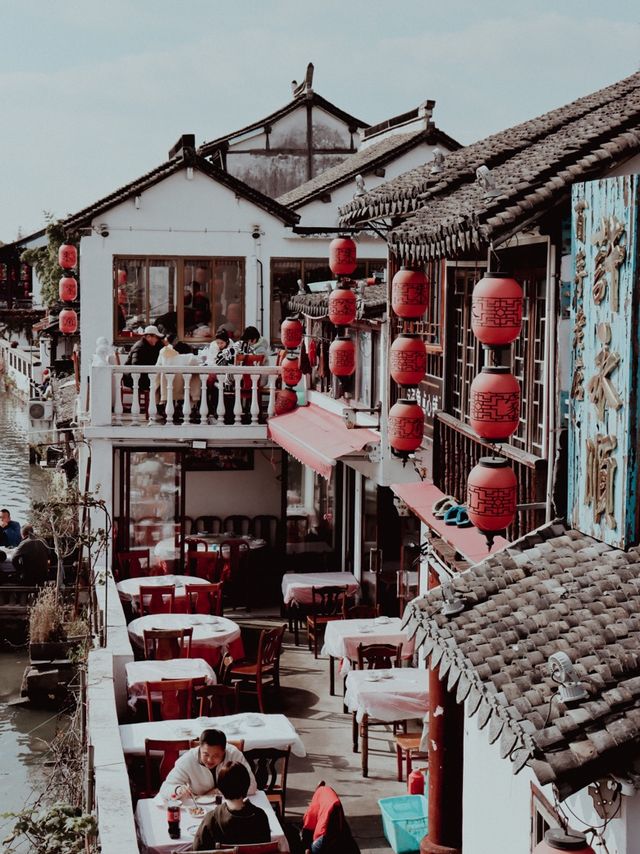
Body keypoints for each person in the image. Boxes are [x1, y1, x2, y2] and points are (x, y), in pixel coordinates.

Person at [191, 761, 270, 851]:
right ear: (247, 785)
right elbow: (266, 848)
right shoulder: (260, 816)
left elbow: (197, 850)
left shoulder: (212, 819)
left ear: (220, 788)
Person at [160, 728, 257, 800]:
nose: (210, 760)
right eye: (205, 754)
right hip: (199, 808)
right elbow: (165, 789)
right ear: (199, 748)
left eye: (216, 755)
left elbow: (252, 786)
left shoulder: (234, 754)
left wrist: (218, 791)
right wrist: (178, 790)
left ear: (224, 751)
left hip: (229, 806)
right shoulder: (187, 760)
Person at [122, 325, 163, 390]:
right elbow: (136, 366)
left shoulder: (149, 345)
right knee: (161, 382)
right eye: (156, 337)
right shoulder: (140, 347)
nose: (157, 340)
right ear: (149, 337)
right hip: (134, 379)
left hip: (140, 377)